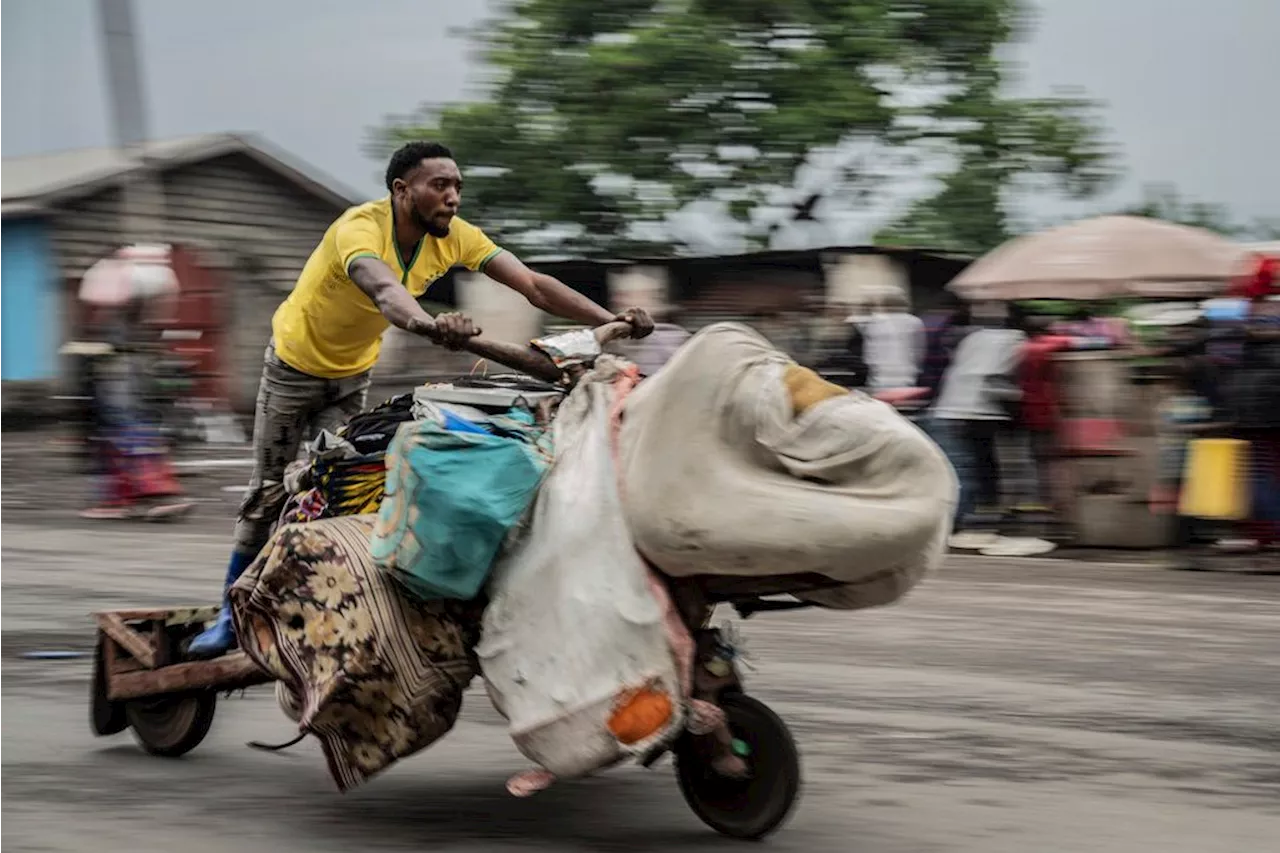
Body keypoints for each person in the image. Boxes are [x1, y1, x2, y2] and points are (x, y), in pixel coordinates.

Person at [187, 140, 653, 657]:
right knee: (268, 492)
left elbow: (535, 285)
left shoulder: (454, 238)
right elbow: (385, 290)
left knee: (344, 481)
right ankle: (231, 615)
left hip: (350, 375)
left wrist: (611, 319)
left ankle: (322, 600)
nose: (452, 197)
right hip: (292, 370)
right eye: (440, 186)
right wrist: (430, 324)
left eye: (457, 187)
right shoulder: (359, 230)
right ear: (401, 191)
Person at [930, 305, 1027, 538]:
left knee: (972, 463)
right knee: (984, 464)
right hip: (984, 409)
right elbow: (996, 375)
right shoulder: (1015, 339)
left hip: (953, 406)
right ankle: (972, 514)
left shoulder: (974, 337)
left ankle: (976, 510)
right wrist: (1018, 397)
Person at [1016, 317, 1072, 514]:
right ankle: (1056, 498)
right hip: (1049, 407)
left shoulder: (1023, 349)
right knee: (1053, 456)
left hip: (1030, 408)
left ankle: (1045, 497)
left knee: (1038, 457)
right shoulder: (1044, 346)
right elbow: (1070, 342)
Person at [862, 288, 925, 392]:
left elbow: (869, 353)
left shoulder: (874, 323)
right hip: (906, 374)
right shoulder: (914, 322)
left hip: (880, 375)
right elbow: (919, 350)